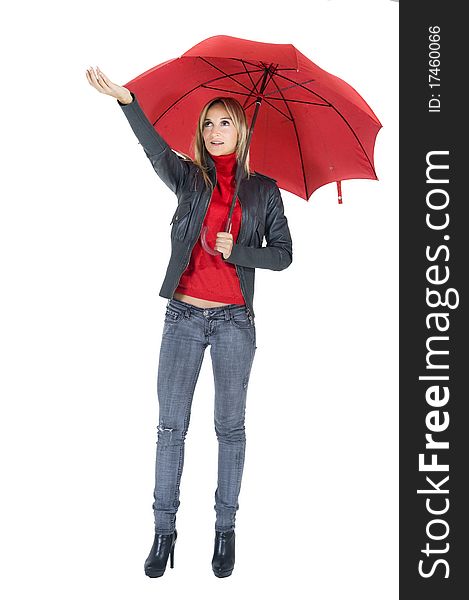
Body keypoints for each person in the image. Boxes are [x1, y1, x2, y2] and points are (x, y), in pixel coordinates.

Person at [85, 66, 293, 578]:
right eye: (208, 125)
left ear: (241, 131)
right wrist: (126, 100)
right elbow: (154, 149)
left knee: (230, 429)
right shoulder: (189, 178)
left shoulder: (263, 191)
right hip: (182, 317)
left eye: (224, 123)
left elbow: (285, 255)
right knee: (170, 428)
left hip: (233, 325)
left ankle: (225, 530)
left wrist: (241, 250)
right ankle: (163, 531)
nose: (214, 132)